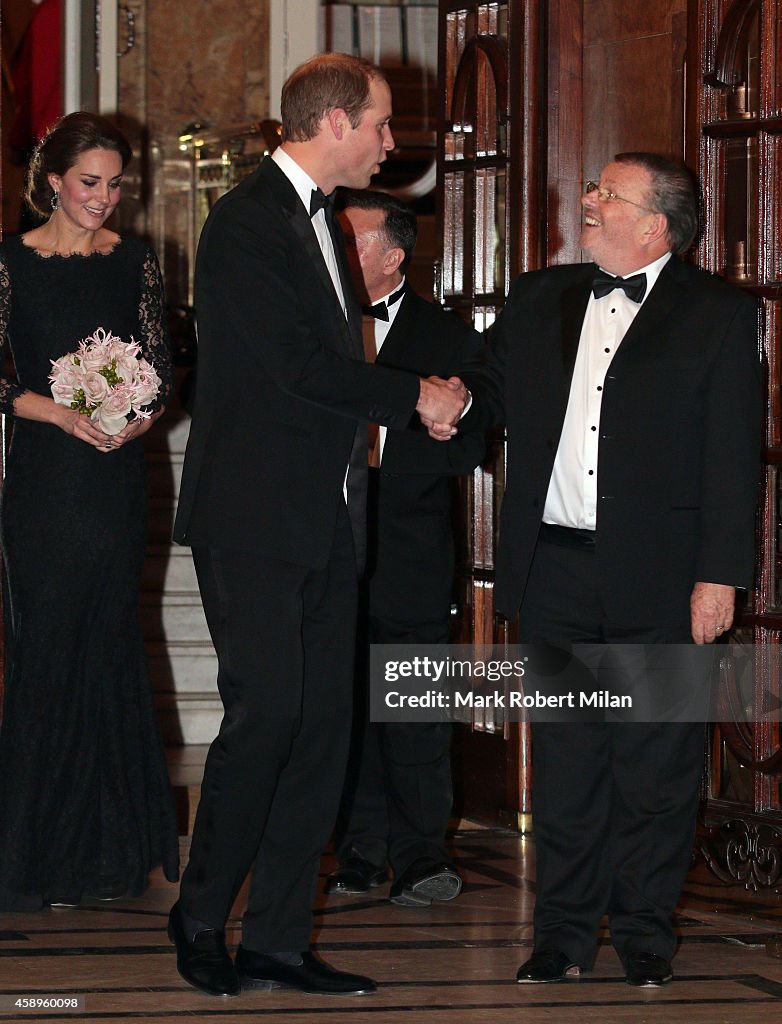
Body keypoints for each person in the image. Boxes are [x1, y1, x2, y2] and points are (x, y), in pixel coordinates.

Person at [170, 53, 466, 998]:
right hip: (254, 520)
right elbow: (295, 366)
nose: (390, 141)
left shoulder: (325, 231)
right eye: (381, 123)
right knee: (267, 723)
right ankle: (200, 916)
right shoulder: (246, 221)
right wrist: (412, 393)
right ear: (334, 121)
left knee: (324, 734)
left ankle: (279, 940)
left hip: (331, 520)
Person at [456, 153, 761, 987]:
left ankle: (643, 937)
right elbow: (486, 387)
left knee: (656, 770)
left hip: (664, 579)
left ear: (656, 224)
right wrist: (435, 399)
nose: (586, 201)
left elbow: (733, 458)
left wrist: (721, 575)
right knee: (566, 766)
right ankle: (558, 936)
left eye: (605, 193)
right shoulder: (541, 297)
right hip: (557, 570)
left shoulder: (719, 316)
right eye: (592, 188)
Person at [0, 111, 179, 910]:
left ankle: (107, 854)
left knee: (106, 645)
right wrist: (60, 413)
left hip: (113, 486)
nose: (103, 198)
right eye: (88, 183)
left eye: (114, 184)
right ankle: (33, 857)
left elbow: (164, 367)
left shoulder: (134, 260)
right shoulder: (9, 262)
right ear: (52, 181)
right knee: (46, 650)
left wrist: (136, 415)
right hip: (43, 481)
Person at [326, 189, 484, 906]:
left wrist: (399, 433)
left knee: (415, 706)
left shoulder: (446, 335)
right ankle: (358, 850)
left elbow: (474, 441)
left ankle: (422, 855)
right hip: (325, 538)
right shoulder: (315, 321)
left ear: (393, 256)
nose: (336, 250)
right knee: (343, 705)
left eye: (351, 239)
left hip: (410, 549)